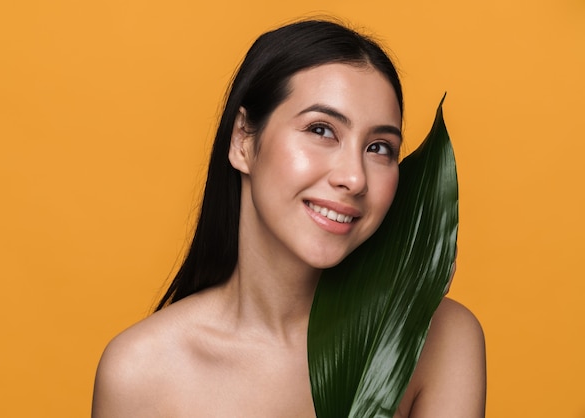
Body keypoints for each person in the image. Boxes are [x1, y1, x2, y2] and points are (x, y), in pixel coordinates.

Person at [91, 19, 486, 417]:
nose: (353, 177)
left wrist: (395, 339)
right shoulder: (141, 371)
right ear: (243, 140)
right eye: (321, 129)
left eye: (380, 148)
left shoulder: (441, 339)